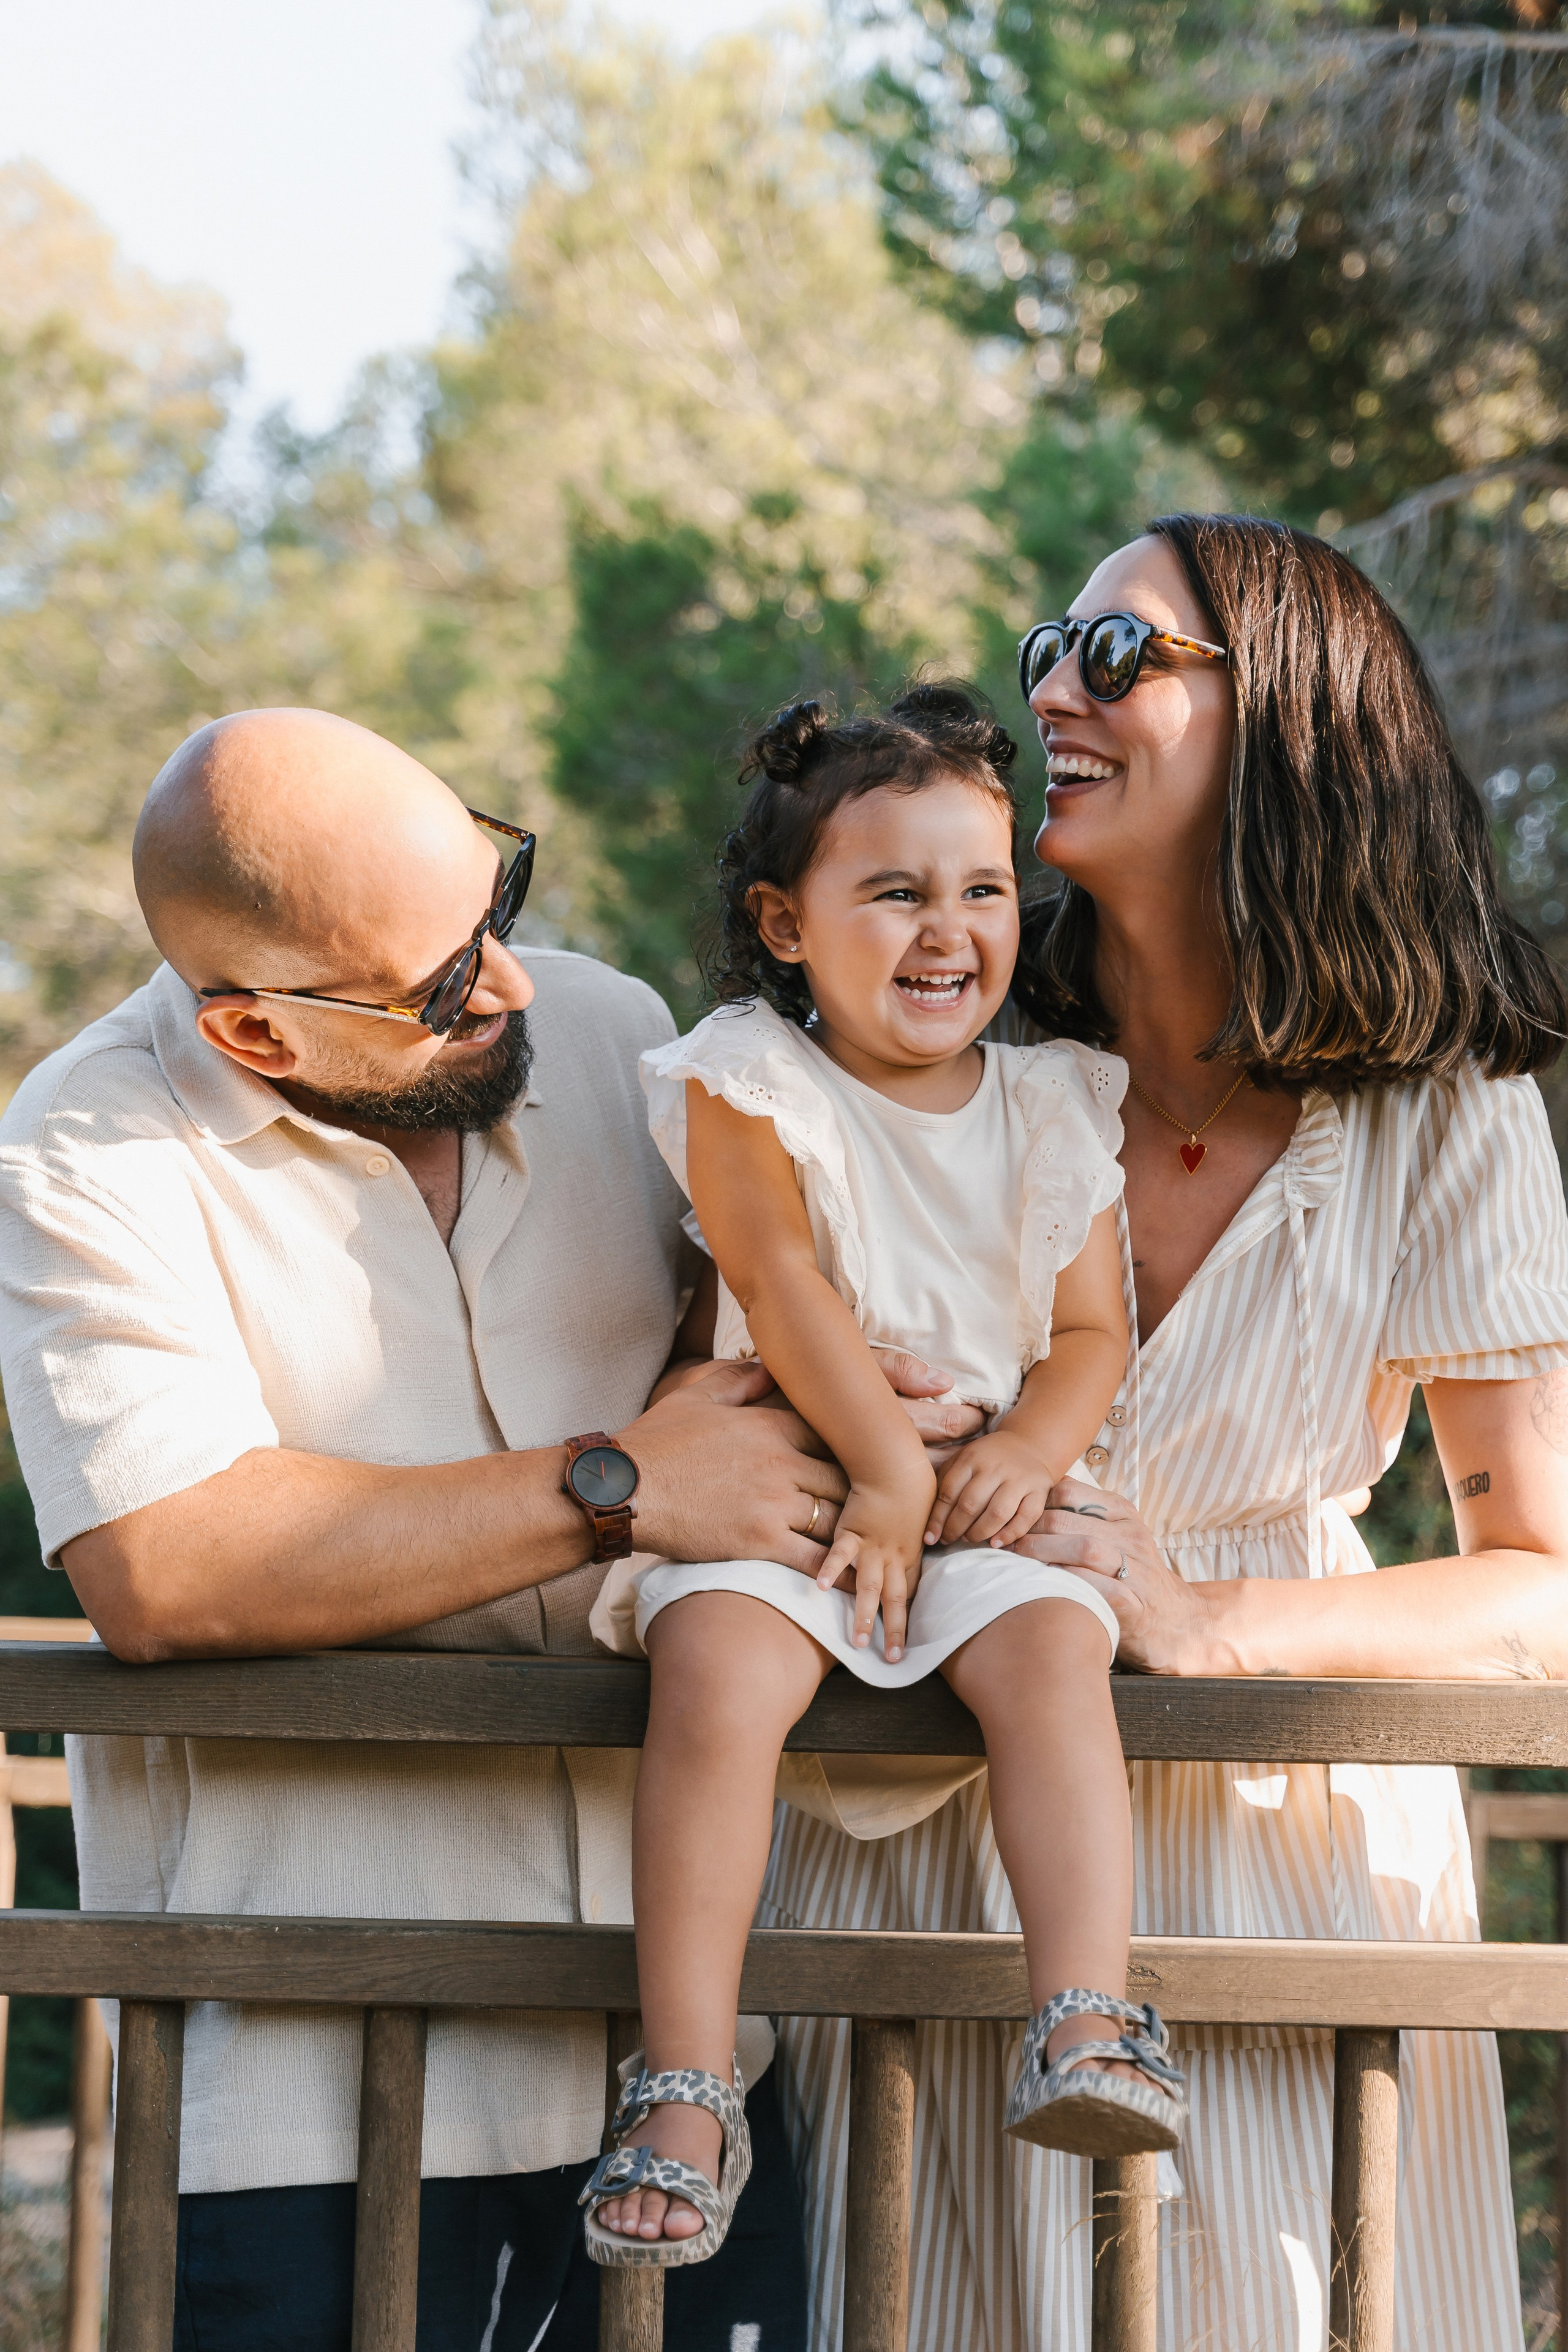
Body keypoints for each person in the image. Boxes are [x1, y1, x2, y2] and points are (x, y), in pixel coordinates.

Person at [0, 706, 974, 2351]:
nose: (514, 985)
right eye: (444, 987)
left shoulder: (616, 1030)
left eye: (498, 910)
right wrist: (616, 1488)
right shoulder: (84, 1148)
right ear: (254, 1030)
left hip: (685, 2066)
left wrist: (833, 1386)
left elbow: (718, 1363)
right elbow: (165, 1561)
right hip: (314, 2089)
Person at [761, 518, 1568, 2351]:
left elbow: (1541, 1584)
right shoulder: (924, 1030)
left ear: (1290, 723)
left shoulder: (1448, 1096)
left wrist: (1206, 1627)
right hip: (930, 1833)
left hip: (1293, 1852)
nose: (1051, 687)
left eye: (1116, 658)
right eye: (1056, 645)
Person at [579, 685, 1184, 2267]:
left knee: (1058, 1646)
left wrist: (1027, 1455)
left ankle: (1086, 2014)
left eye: (983, 888)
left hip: (973, 1488)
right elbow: (778, 1284)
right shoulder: (747, 1080)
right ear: (787, 924)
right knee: (711, 1664)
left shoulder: (1054, 1099)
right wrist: (878, 1479)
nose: (950, 928)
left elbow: (1085, 1333)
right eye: (896, 890)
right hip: (788, 1491)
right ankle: (686, 2079)